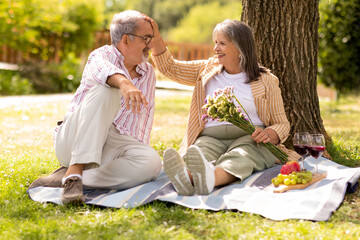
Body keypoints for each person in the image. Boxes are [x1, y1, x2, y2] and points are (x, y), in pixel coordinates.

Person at [148, 18, 300, 196]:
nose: (215, 48)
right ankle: (187, 178)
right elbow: (170, 68)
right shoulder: (206, 69)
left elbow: (282, 123)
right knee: (198, 153)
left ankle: (210, 179)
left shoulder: (266, 80)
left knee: (242, 157)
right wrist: (156, 37)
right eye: (215, 43)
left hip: (250, 138)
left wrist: (269, 134)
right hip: (210, 136)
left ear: (240, 47)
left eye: (222, 43)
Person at [29, 10, 162, 204]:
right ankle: (74, 171)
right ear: (126, 40)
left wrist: (135, 156)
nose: (150, 44)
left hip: (110, 147)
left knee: (151, 162)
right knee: (107, 89)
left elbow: (142, 121)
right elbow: (106, 72)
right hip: (73, 140)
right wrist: (124, 83)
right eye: (146, 38)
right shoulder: (101, 55)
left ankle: (71, 179)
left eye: (152, 37)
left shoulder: (148, 72)